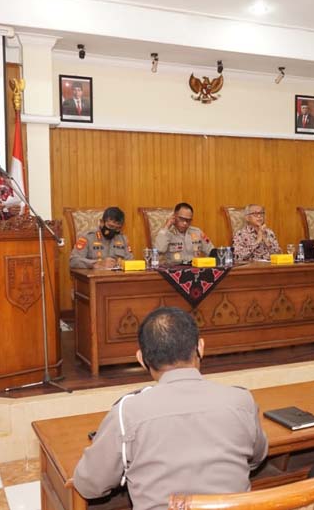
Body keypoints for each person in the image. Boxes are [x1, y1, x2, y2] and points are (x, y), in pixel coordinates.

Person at [72, 307, 268, 510]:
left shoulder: (127, 412)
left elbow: (89, 485)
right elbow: (257, 457)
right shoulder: (241, 400)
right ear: (200, 348)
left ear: (141, 359)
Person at [69, 207, 133, 269]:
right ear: (102, 222)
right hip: (96, 277)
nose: (113, 230)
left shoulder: (123, 239)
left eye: (117, 228)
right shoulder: (88, 238)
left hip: (119, 278)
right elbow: (73, 261)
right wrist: (96, 263)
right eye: (111, 226)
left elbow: (131, 262)